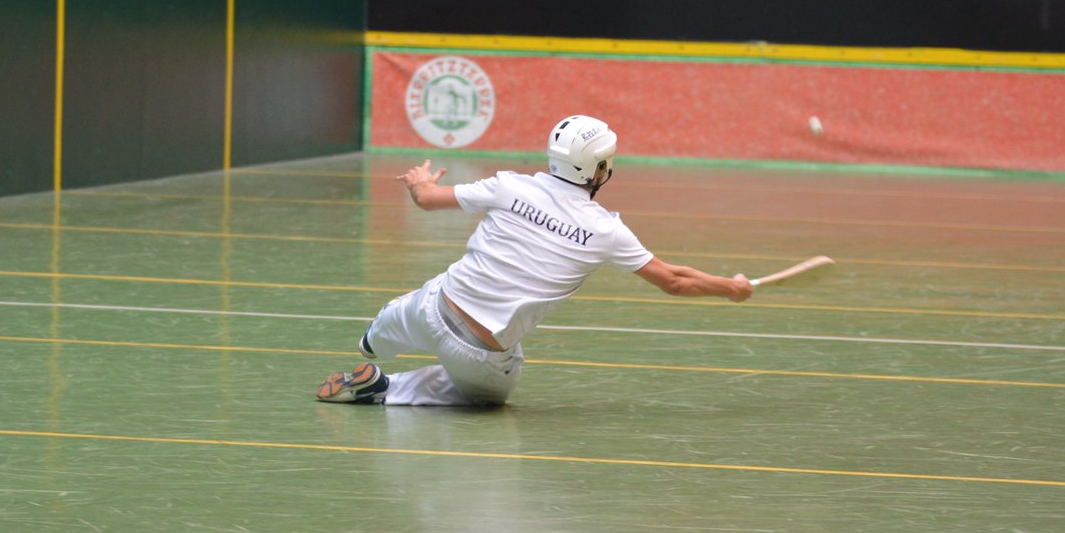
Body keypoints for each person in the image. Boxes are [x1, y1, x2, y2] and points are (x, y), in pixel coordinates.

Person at [315, 114, 753, 406]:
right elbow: (675, 280)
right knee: (491, 396)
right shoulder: (605, 230)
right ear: (599, 170)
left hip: (430, 305)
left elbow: (427, 199)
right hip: (477, 353)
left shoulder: (509, 186)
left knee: (398, 321)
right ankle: (385, 389)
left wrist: (419, 180)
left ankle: (379, 336)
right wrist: (731, 288)